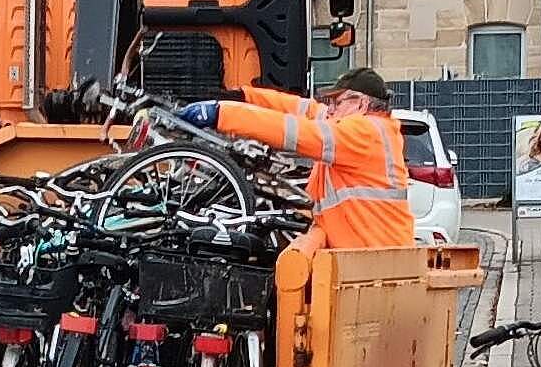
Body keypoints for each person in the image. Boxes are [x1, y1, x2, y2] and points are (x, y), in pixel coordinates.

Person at [177, 68, 413, 248]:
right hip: (362, 251)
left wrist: (223, 114)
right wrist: (244, 96)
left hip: (371, 259)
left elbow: (296, 131)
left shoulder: (364, 132)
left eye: (336, 102)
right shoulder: (362, 127)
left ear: (361, 104)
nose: (329, 109)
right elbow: (302, 109)